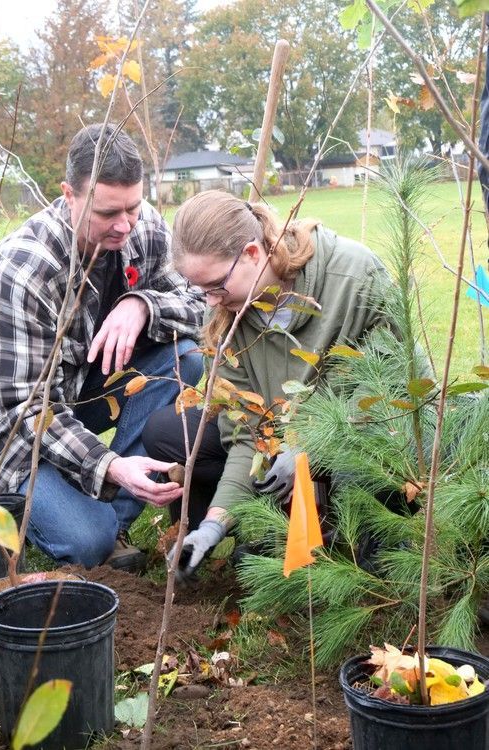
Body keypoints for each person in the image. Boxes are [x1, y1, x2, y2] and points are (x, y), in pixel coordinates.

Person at [0, 123, 204, 570]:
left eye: (133, 205)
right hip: (0, 435)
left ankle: (115, 518)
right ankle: (100, 522)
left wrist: (143, 305)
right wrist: (109, 462)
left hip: (75, 391)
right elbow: (29, 410)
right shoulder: (25, 270)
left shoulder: (140, 227)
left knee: (183, 358)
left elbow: (202, 304)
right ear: (68, 194)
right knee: (88, 542)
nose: (124, 224)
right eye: (107, 212)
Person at [142, 189, 392, 580]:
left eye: (215, 286)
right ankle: (263, 525)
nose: (209, 302)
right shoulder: (230, 319)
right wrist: (213, 524)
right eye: (200, 290)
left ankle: (370, 535)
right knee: (167, 431)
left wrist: (309, 446)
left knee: (365, 545)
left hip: (362, 439)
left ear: (252, 255)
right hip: (282, 449)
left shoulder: (353, 277)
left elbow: (388, 390)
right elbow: (245, 435)